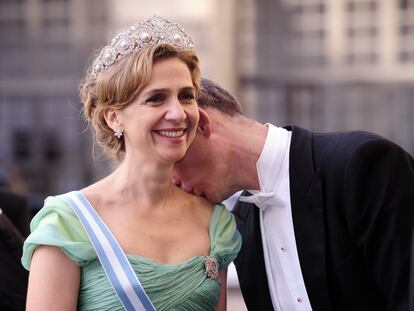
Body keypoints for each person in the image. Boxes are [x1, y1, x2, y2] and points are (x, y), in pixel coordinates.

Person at [21, 16, 240, 311]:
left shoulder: (214, 222)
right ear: (114, 117)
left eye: (186, 96)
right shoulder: (67, 224)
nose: (177, 113)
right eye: (156, 99)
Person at [173, 78, 414, 311]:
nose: (172, 183)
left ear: (201, 124)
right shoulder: (238, 229)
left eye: (169, 163)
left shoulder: (362, 164)